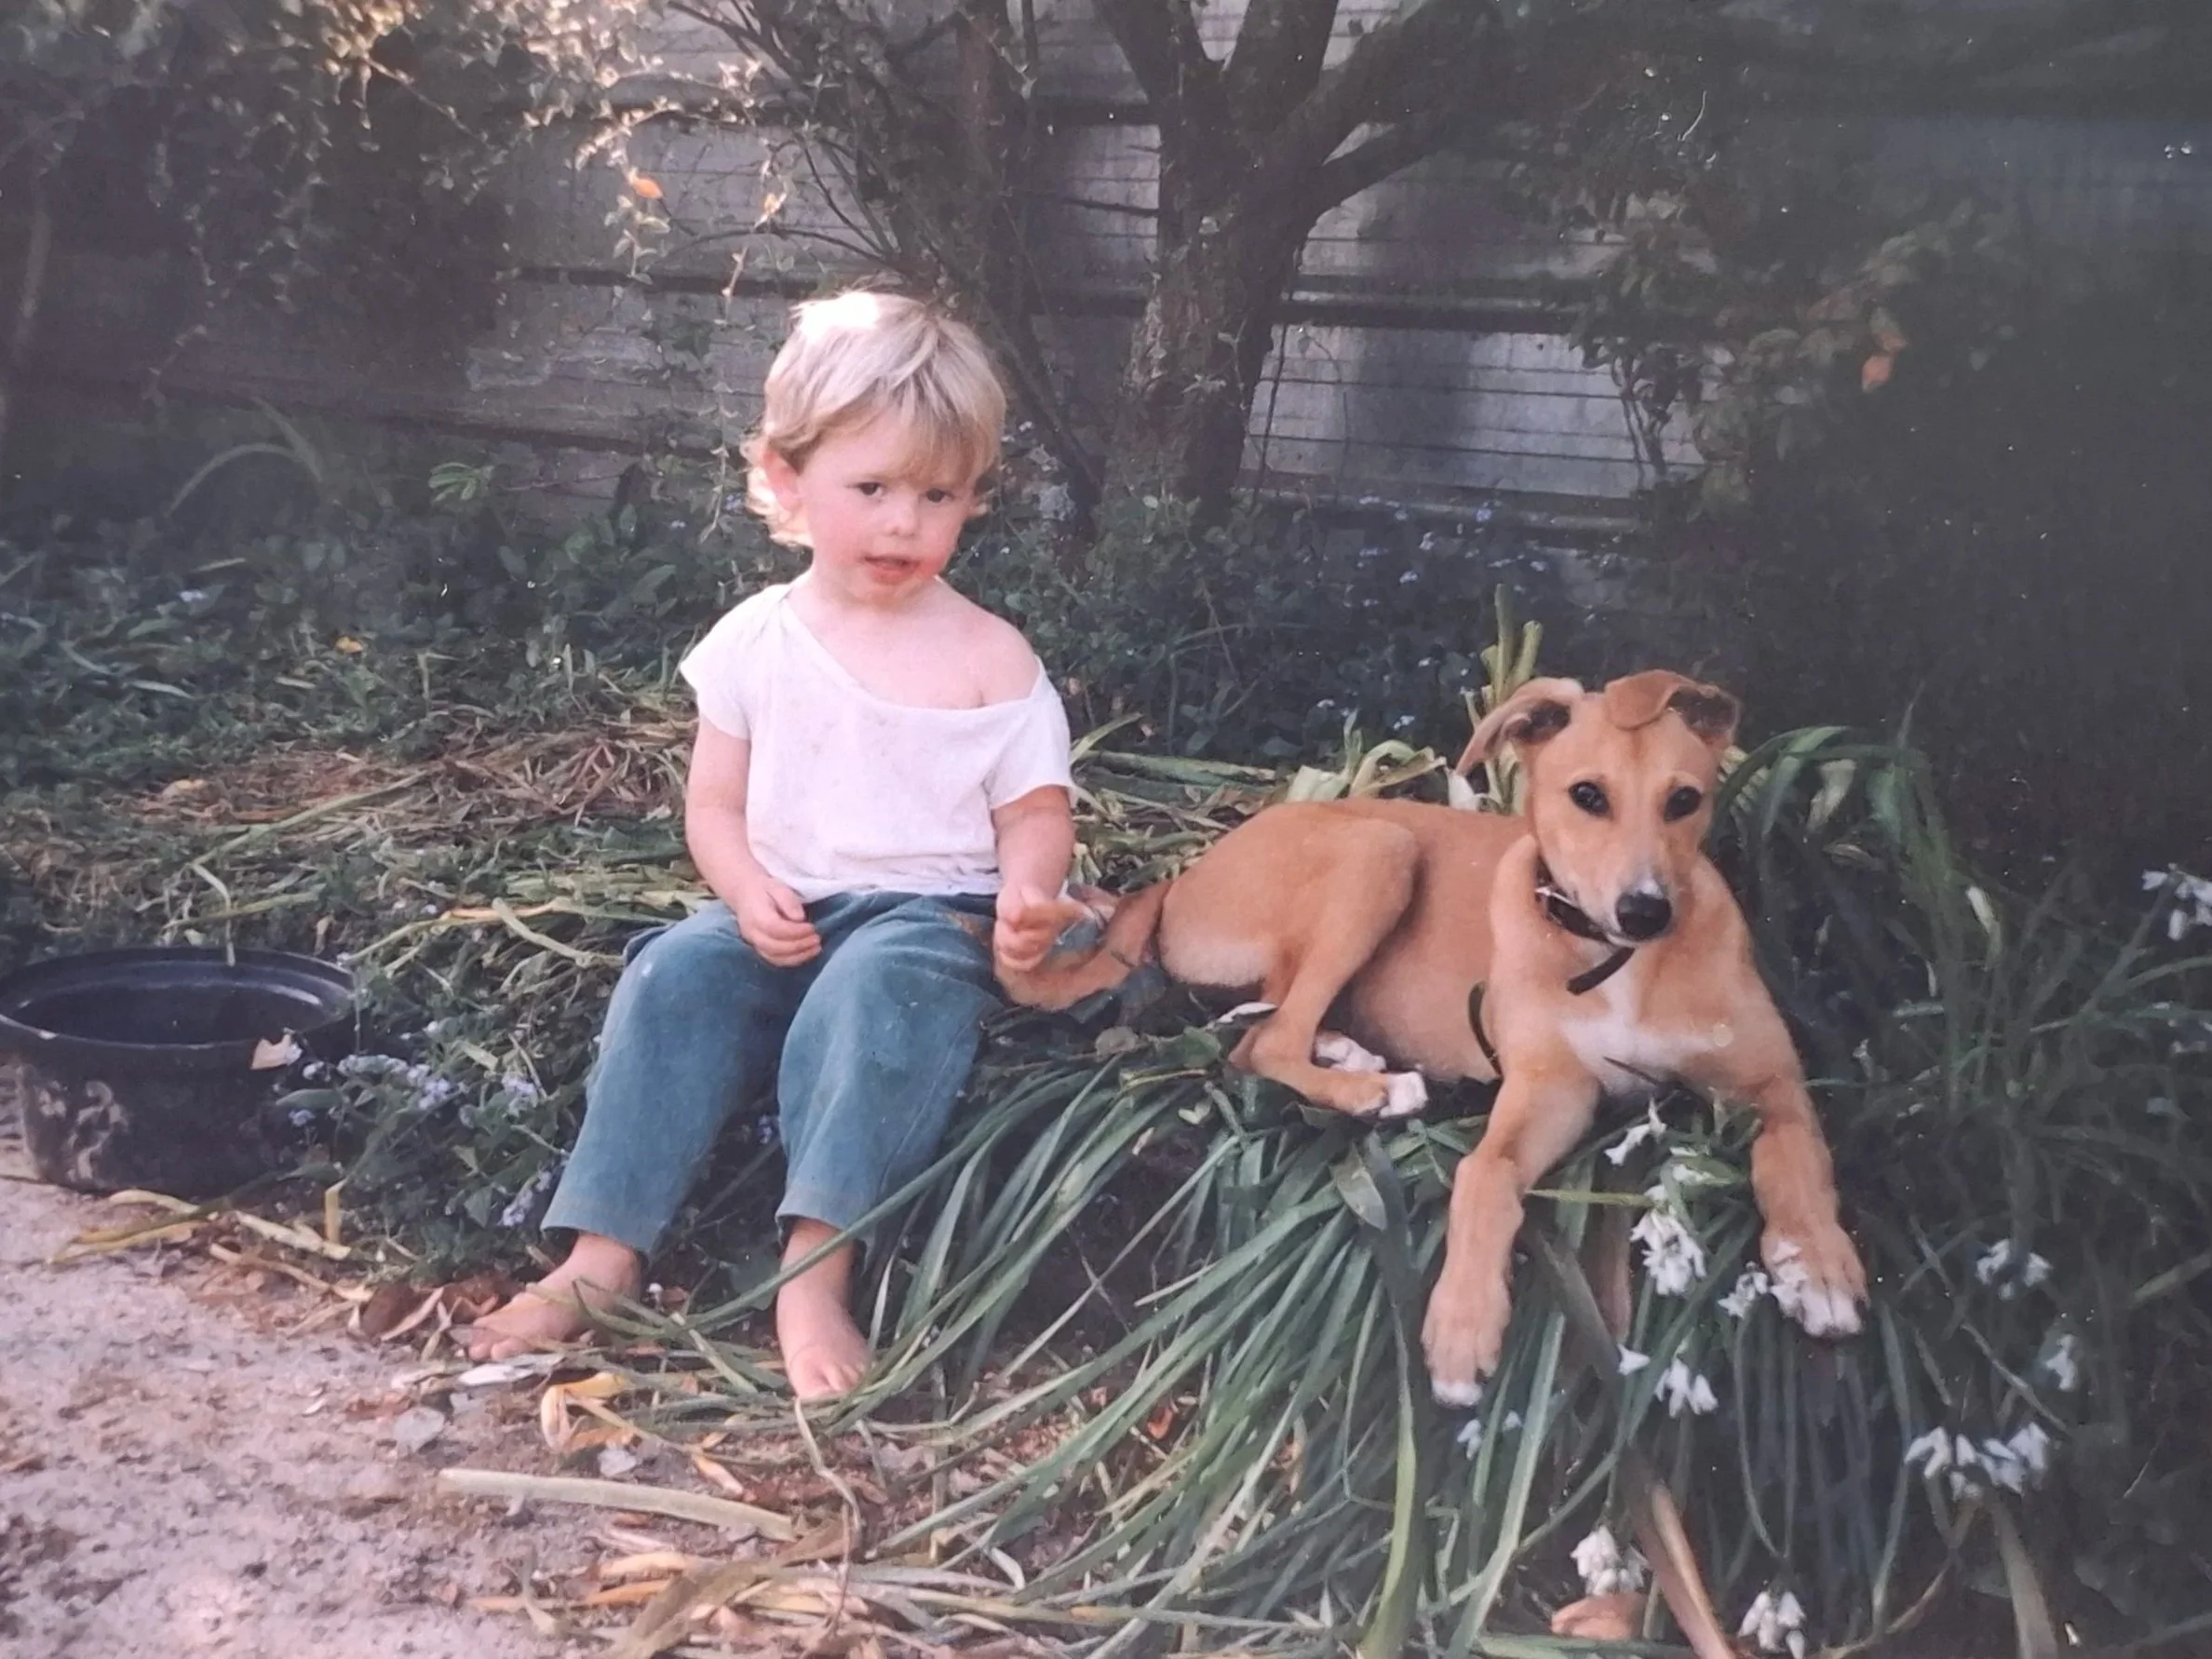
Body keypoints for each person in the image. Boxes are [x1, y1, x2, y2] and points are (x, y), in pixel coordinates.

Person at [462, 290, 1075, 1399]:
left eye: (937, 496)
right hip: (787, 904)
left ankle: (814, 1269)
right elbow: (715, 808)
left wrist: (1031, 897)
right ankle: (602, 1252)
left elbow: (1033, 811)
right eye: (872, 488)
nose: (903, 524)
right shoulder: (755, 641)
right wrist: (744, 893)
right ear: (787, 480)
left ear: (972, 499)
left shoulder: (992, 657)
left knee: (878, 989)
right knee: (673, 972)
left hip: (930, 915)